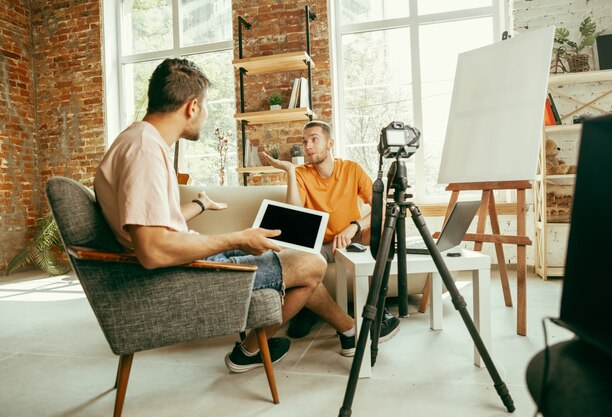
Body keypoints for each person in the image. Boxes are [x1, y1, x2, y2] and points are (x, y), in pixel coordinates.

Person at [94, 59, 359, 375]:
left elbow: (154, 222)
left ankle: (349, 330)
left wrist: (201, 207)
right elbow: (152, 251)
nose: (205, 115)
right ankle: (258, 348)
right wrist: (237, 238)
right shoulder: (145, 152)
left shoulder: (138, 141)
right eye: (205, 107)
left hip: (187, 264)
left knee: (295, 260)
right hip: (184, 278)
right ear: (192, 107)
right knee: (311, 263)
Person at [259, 120, 400, 342]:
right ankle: (307, 310)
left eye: (314, 139)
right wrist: (290, 171)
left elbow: (381, 207)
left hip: (352, 237)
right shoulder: (301, 173)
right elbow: (294, 213)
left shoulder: (351, 169)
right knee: (301, 258)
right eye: (305, 142)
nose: (308, 146)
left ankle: (378, 307)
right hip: (317, 246)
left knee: (383, 229)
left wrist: (354, 225)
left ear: (330, 143)